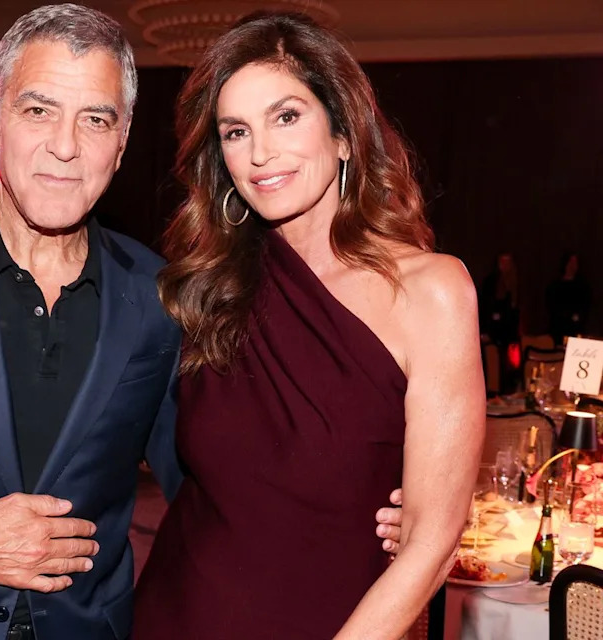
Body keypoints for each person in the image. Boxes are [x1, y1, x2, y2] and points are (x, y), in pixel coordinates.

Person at [0, 6, 404, 640]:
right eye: (38, 110)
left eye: (95, 119)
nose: (65, 147)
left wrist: (368, 506)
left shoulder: (158, 294)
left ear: (121, 144)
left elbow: (216, 472)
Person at [134, 12, 484, 640]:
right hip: (176, 615)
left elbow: (431, 545)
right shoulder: (204, 290)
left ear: (345, 134)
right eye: (236, 131)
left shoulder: (432, 292)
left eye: (286, 116)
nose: (260, 152)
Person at [478, 252, 521, 393]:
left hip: (508, 333)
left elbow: (514, 312)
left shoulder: (514, 283)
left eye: (507, 262)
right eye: (502, 262)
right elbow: (484, 307)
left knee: (510, 365)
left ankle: (510, 390)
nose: (504, 266)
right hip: (492, 331)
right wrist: (485, 331)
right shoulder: (491, 282)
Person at [546, 252, 591, 345]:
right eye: (570, 262)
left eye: (575, 263)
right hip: (557, 330)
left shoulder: (582, 286)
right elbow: (552, 307)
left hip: (576, 330)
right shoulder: (554, 286)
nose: (573, 266)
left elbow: (585, 307)